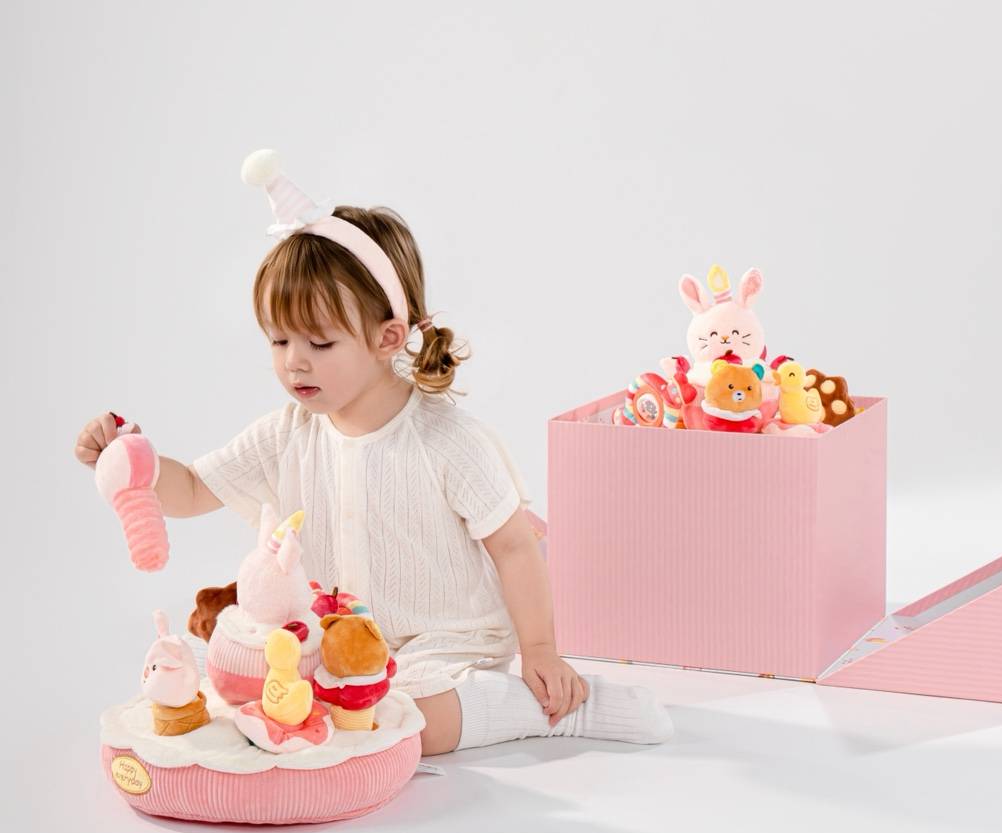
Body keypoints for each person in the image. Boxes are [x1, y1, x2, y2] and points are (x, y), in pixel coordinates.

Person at [75, 151, 673, 755]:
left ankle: (548, 709)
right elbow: (191, 489)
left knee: (410, 723)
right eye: (278, 340)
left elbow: (515, 547)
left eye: (319, 343)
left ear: (388, 337)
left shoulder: (447, 440)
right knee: (267, 690)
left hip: (443, 643)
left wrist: (540, 650)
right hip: (336, 644)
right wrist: (133, 460)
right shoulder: (285, 434)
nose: (294, 362)